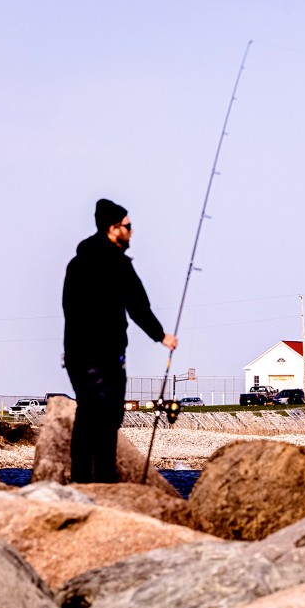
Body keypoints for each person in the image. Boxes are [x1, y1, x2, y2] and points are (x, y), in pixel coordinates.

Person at [62, 199, 177, 483]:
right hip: (105, 355)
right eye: (128, 226)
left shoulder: (76, 263)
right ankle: (103, 480)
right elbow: (138, 306)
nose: (132, 231)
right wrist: (162, 336)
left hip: (76, 355)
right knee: (108, 417)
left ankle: (79, 479)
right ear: (114, 229)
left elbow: (68, 307)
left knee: (87, 413)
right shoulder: (117, 263)